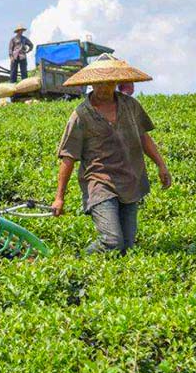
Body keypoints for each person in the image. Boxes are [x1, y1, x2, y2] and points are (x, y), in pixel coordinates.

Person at [51, 55, 171, 255]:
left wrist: (161, 165)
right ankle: (77, 262)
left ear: (116, 82)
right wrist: (59, 198)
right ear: (91, 83)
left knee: (127, 247)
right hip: (99, 183)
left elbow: (143, 136)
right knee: (112, 240)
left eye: (108, 83)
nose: (104, 88)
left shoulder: (130, 106)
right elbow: (68, 157)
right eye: (99, 83)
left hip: (129, 180)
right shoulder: (81, 114)